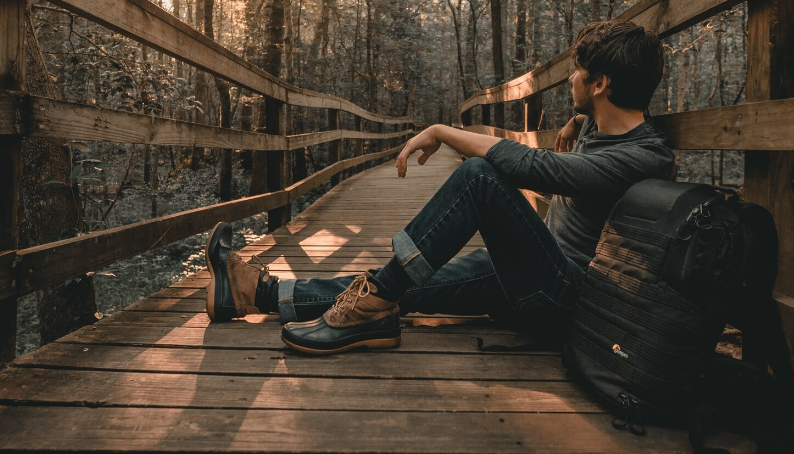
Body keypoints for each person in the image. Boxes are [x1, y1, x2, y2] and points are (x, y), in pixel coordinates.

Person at [204, 21, 675, 354]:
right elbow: (595, 129)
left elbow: (535, 167)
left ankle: (365, 309)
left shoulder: (643, 159)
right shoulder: (603, 123)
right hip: (532, 268)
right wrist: (578, 119)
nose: (571, 77)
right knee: (405, 283)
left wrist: (446, 131)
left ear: (601, 84)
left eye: (579, 72)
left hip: (566, 301)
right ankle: (256, 295)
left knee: (479, 177)